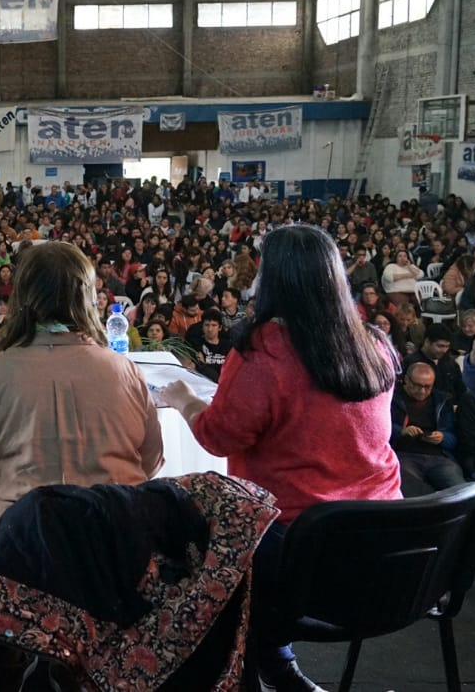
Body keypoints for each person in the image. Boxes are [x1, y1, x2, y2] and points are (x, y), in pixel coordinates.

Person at [159, 225, 400, 692]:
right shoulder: (372, 342)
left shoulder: (265, 351)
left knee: (185, 535)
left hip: (302, 556)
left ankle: (232, 667)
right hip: (389, 551)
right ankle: (280, 666)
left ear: (272, 280)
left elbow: (218, 436)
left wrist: (185, 397)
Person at [0, 241, 164, 574]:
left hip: (16, 555)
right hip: (113, 552)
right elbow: (150, 463)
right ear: (86, 297)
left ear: (22, 297)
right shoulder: (125, 370)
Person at [390, 362, 465, 496]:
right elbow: (380, 431)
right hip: (405, 454)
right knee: (411, 488)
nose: (422, 391)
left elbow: (453, 438)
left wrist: (442, 437)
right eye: (417, 386)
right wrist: (401, 431)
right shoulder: (392, 397)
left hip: (438, 456)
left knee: (459, 490)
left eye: (427, 387)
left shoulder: (441, 400)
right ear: (406, 380)